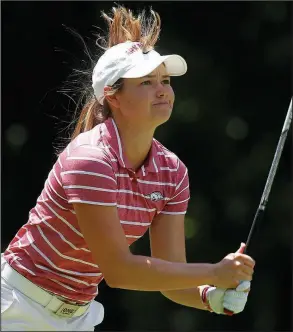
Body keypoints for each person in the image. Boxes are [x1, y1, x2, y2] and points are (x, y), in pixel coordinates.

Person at [1, 5, 255, 331]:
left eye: (165, 80)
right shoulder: (91, 159)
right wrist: (214, 272)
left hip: (77, 317)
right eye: (147, 82)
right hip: (16, 307)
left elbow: (170, 275)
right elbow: (119, 271)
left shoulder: (172, 172)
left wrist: (213, 295)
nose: (163, 89)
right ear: (113, 97)